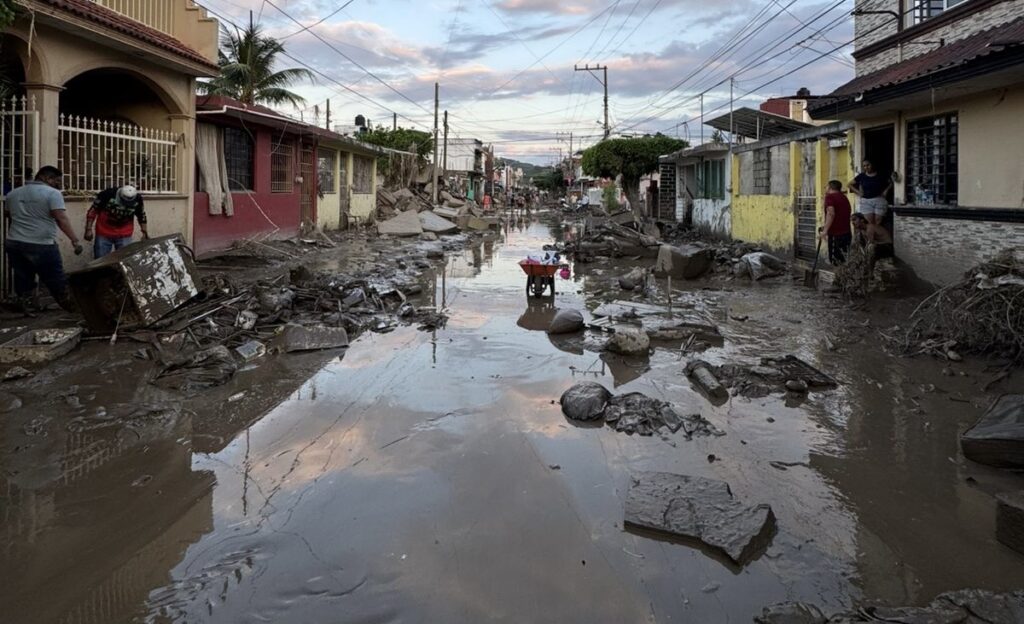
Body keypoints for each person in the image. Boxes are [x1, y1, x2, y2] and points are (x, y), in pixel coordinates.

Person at [3, 165, 83, 311]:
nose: (59, 184)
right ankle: (74, 309)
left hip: (15, 243)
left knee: (24, 278)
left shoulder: (13, 194)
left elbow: (8, 215)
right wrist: (74, 240)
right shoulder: (52, 194)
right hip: (42, 244)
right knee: (56, 279)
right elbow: (61, 219)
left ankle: (28, 306)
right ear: (46, 178)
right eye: (56, 180)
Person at [85, 184, 148, 258]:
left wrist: (144, 233)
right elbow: (93, 211)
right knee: (100, 260)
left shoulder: (138, 199)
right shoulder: (107, 194)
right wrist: (88, 229)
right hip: (104, 232)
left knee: (125, 259)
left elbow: (141, 215)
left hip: (124, 233)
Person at [848, 160, 893, 243]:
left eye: (868, 165)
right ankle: (870, 243)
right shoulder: (862, 176)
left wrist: (885, 191)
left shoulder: (880, 175)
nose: (866, 167)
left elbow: (890, 183)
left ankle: (878, 241)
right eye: (864, 166)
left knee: (878, 222)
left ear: (872, 165)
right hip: (866, 201)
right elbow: (849, 184)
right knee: (869, 223)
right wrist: (859, 192)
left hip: (879, 199)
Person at [819, 180, 852, 265]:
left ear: (830, 187)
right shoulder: (844, 197)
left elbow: (831, 213)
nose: (825, 188)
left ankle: (836, 277)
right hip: (847, 233)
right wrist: (826, 226)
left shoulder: (830, 197)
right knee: (844, 259)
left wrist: (825, 231)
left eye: (826, 186)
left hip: (836, 234)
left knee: (835, 261)